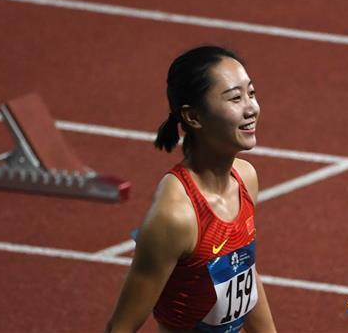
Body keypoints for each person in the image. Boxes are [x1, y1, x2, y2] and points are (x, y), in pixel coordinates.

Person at [106, 46, 277, 333]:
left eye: (251, 93)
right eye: (235, 98)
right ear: (193, 116)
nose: (251, 108)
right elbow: (121, 328)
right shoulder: (175, 215)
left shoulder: (245, 178)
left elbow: (243, 272)